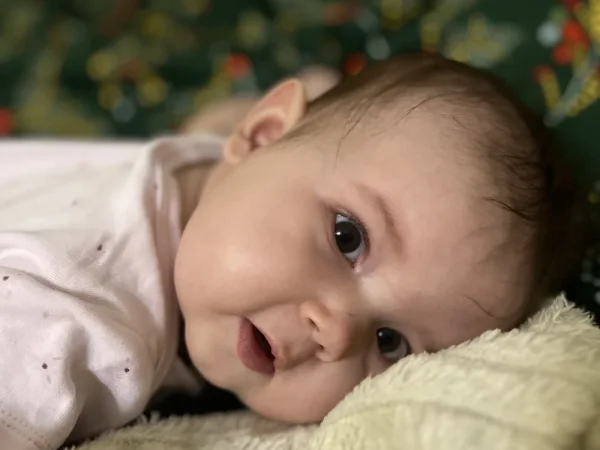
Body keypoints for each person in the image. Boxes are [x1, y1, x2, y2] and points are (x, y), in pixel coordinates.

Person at [0, 53, 588, 450]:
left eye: (391, 343)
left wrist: (321, 94)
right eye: (347, 237)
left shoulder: (225, 169)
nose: (335, 332)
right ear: (262, 133)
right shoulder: (78, 324)